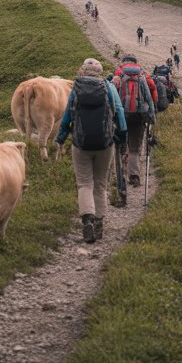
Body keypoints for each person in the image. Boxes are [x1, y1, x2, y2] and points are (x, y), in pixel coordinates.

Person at [56, 58, 127, 243]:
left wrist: (61, 138)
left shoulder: (76, 88)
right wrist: (122, 136)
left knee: (84, 183)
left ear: (83, 71)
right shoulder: (108, 87)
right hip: (105, 143)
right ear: (100, 71)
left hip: (80, 144)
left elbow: (67, 116)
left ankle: (87, 218)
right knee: (100, 183)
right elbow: (118, 111)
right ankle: (99, 221)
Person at [113, 57, 156, 187]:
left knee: (121, 145)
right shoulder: (142, 75)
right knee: (134, 148)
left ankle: (121, 175)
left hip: (121, 115)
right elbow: (150, 94)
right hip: (138, 116)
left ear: (124, 62)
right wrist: (152, 116)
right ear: (135, 63)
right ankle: (134, 176)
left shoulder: (118, 74)